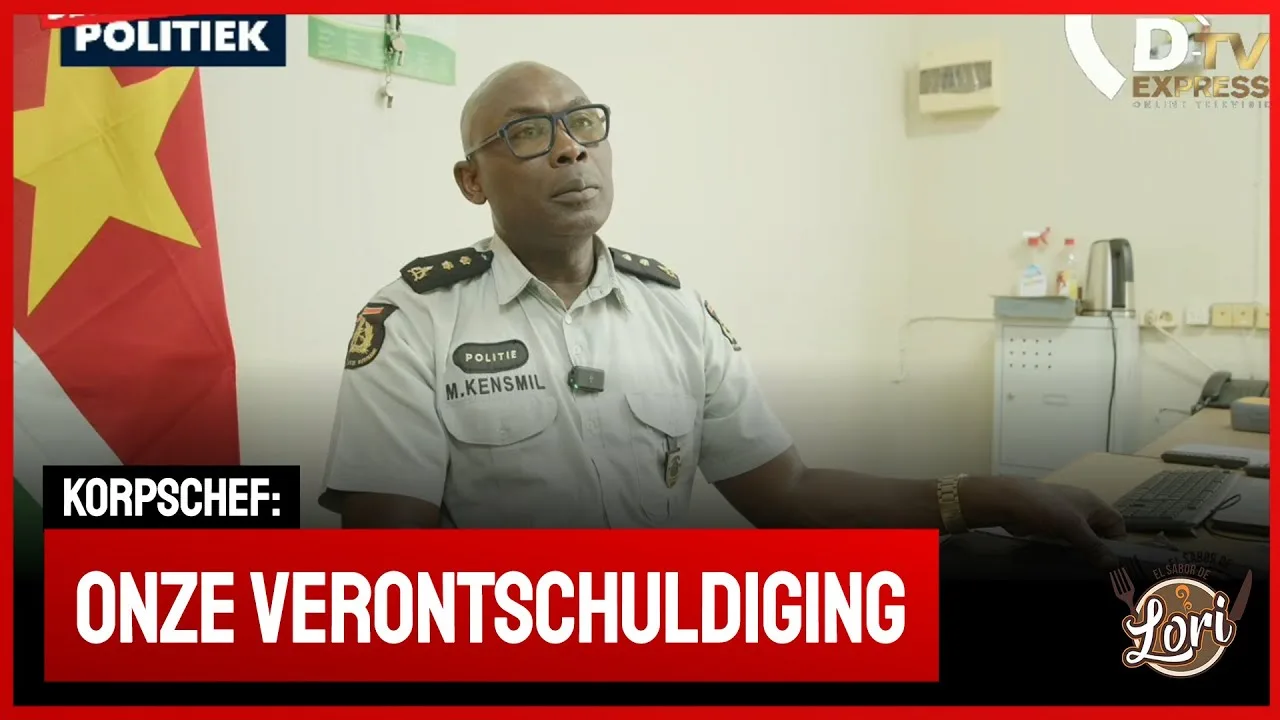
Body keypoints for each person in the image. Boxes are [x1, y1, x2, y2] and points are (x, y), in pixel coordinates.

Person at [318, 62, 1125, 567]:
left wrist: (985, 498)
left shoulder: (674, 310)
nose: (570, 149)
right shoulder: (415, 320)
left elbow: (791, 497)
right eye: (529, 134)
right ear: (472, 181)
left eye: (584, 123)